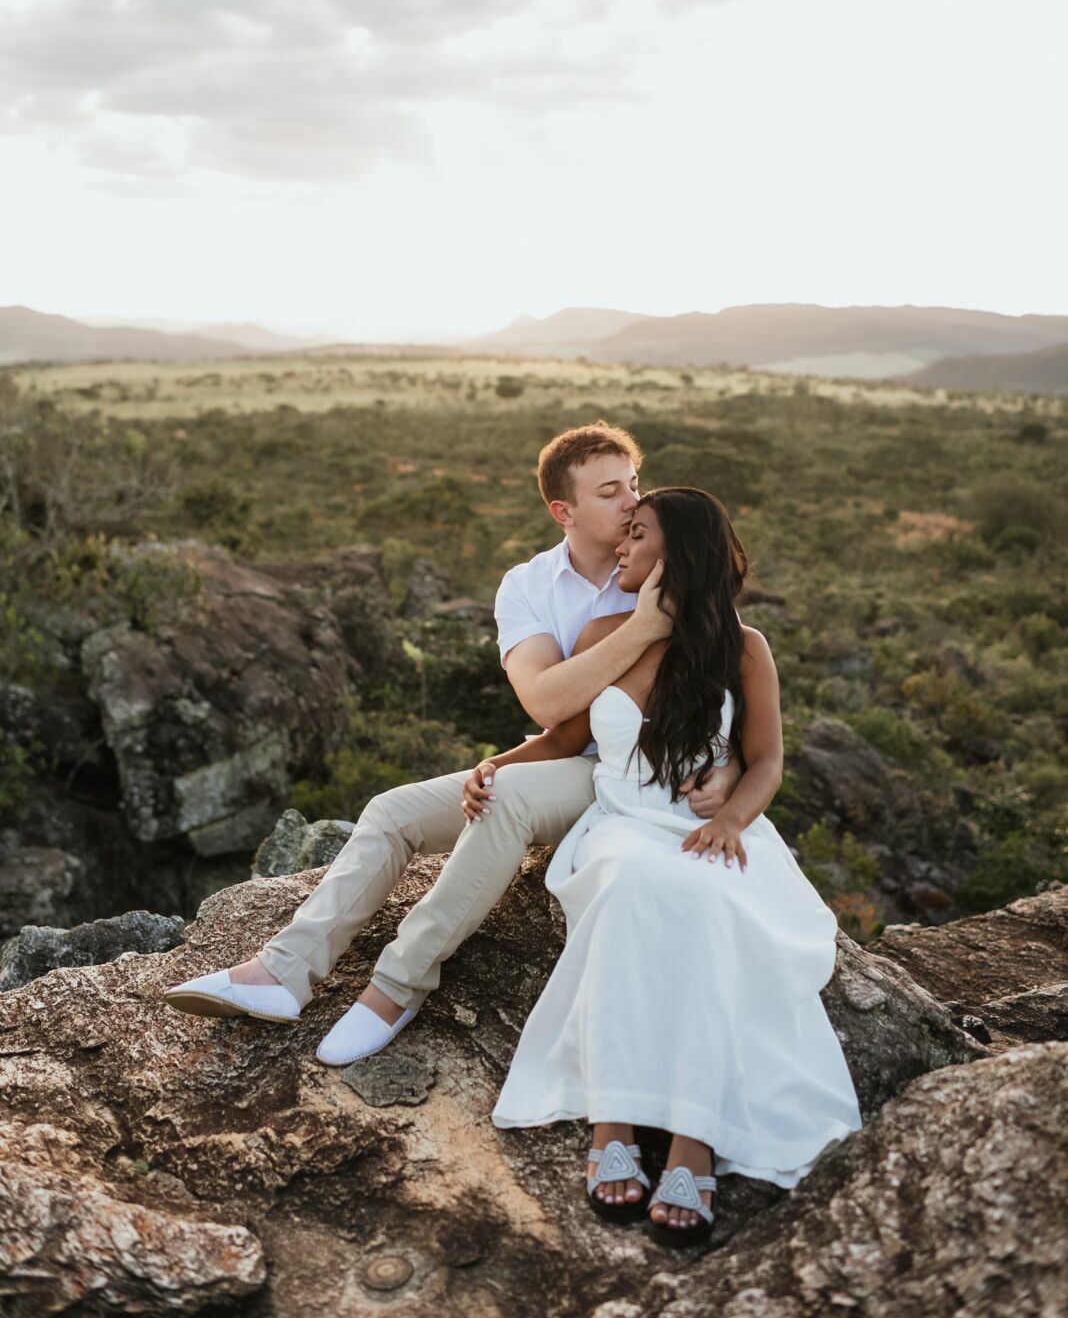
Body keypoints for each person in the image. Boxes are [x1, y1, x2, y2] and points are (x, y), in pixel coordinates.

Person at [163, 424, 743, 1062]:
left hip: (622, 774)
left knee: (508, 800)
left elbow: (721, 671)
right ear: (563, 510)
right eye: (611, 492)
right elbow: (548, 704)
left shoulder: (662, 561)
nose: (633, 502)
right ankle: (283, 973)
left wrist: (734, 764)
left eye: (634, 486)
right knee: (390, 812)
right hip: (558, 751)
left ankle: (398, 985)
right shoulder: (528, 587)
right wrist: (637, 634)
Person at [485, 488, 864, 1247]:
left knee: (709, 904)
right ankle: (611, 1122)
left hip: (706, 832)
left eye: (636, 535)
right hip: (622, 824)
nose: (618, 549)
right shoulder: (604, 630)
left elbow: (767, 762)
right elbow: (562, 741)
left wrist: (729, 819)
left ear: (676, 555)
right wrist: (492, 766)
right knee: (628, 888)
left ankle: (695, 1142)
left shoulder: (745, 648)